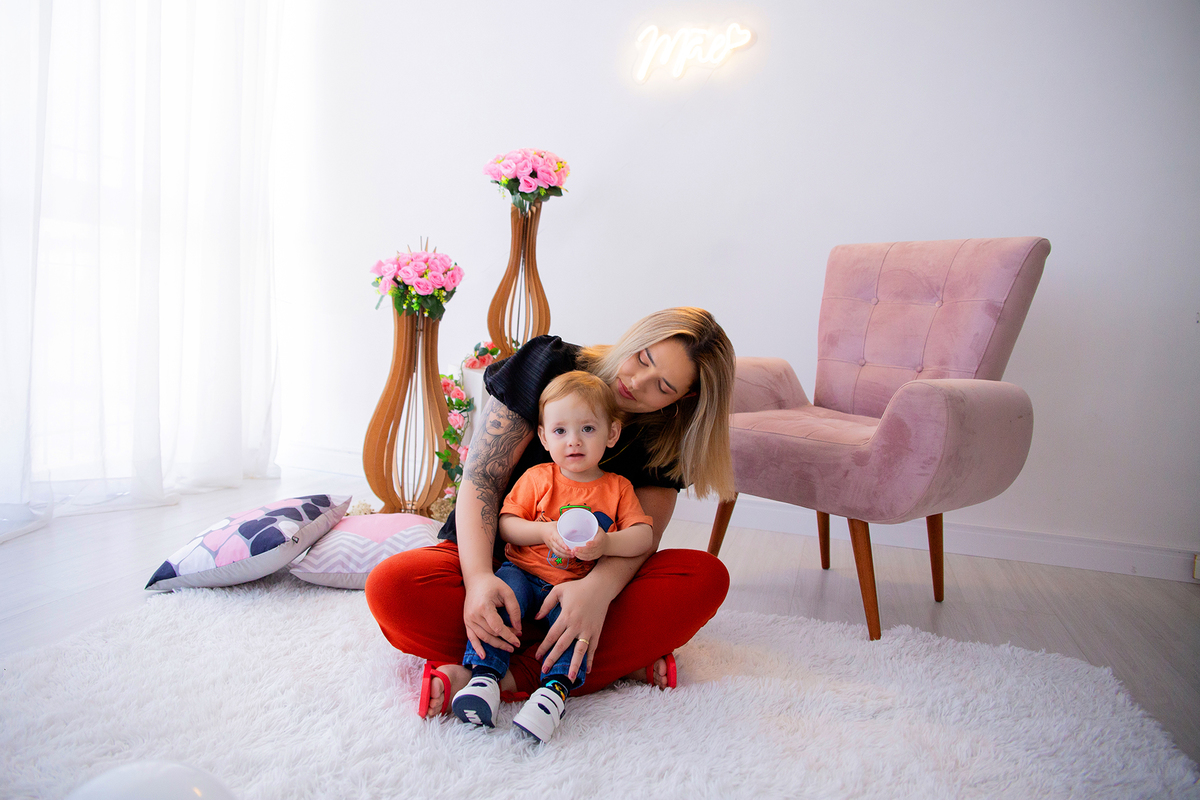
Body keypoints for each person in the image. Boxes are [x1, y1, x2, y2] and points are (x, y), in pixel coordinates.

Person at [365, 307, 737, 726]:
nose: (637, 382)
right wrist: (479, 580)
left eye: (662, 386)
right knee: (391, 588)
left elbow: (641, 538)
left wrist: (595, 593)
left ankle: (492, 675)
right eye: (642, 358)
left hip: (590, 588)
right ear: (635, 338)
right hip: (500, 564)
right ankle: (595, 667)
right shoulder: (549, 364)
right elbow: (482, 478)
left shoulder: (667, 438)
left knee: (704, 578)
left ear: (684, 399)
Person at [452, 371, 655, 741]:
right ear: (544, 438)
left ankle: (552, 694)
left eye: (588, 429)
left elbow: (643, 537)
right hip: (522, 572)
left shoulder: (618, 488)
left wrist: (607, 544)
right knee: (500, 598)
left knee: (575, 630)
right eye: (560, 431)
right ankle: (484, 678)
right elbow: (507, 524)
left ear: (612, 433)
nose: (573, 440)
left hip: (572, 590)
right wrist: (543, 532)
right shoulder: (538, 477)